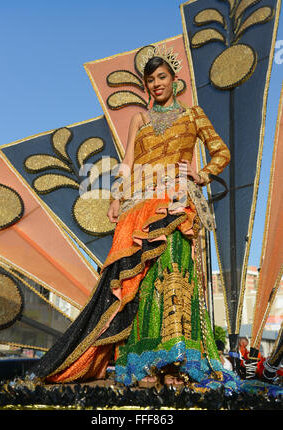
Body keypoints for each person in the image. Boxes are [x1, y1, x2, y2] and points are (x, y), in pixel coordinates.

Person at [29, 45, 233, 390]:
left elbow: (222, 152)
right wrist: (116, 196)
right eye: (150, 80)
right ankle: (143, 362)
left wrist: (203, 174)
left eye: (161, 77)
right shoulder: (139, 117)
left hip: (177, 203)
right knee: (138, 283)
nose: (156, 84)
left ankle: (176, 360)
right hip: (138, 204)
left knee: (173, 277)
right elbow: (127, 162)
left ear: (174, 79)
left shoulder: (194, 115)